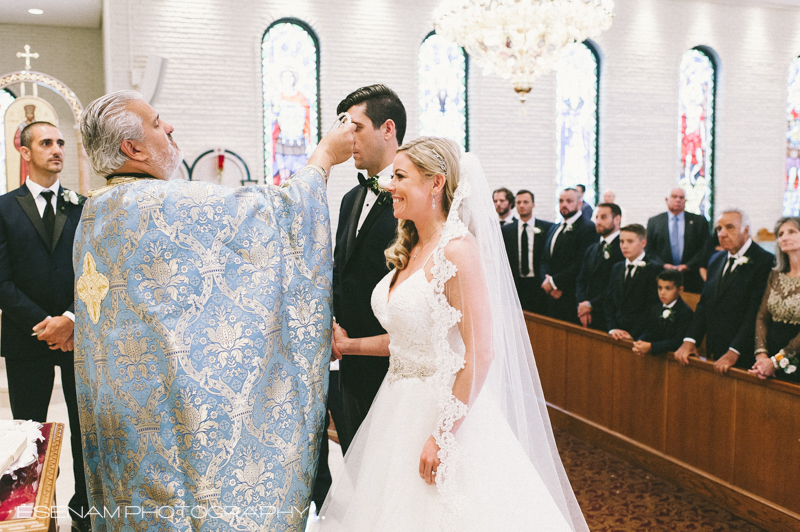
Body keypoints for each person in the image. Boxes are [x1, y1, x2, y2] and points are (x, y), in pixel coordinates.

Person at [73, 90, 354, 531]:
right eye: (157, 122)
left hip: (126, 419)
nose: (169, 128)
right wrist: (323, 158)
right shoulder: (154, 202)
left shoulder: (98, 209)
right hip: (170, 422)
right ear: (133, 149)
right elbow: (278, 213)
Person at [314, 137, 588, 531]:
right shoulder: (411, 247)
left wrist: (442, 435)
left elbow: (481, 354)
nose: (390, 185)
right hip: (396, 408)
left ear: (436, 183)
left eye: (401, 176)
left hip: (442, 412)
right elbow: (410, 340)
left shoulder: (458, 251)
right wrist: (349, 345)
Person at [0, 121, 90, 531]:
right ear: (24, 151)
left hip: (78, 337)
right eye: (46, 143)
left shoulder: (84, 206)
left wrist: (70, 319)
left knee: (85, 433)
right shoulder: (3, 208)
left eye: (60, 143)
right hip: (26, 337)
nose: (56, 149)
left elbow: (94, 272)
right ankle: (35, 518)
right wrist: (45, 324)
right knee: (29, 435)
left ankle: (84, 515)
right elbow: (2, 281)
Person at [331, 84, 406, 454]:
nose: (348, 137)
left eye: (356, 127)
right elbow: (340, 273)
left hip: (396, 367)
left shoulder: (415, 196)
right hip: (349, 368)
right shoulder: (350, 199)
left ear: (387, 129)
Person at [674, 208, 773, 374]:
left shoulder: (764, 261)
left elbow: (755, 313)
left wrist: (734, 351)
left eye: (729, 227)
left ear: (746, 230)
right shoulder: (716, 259)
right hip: (715, 348)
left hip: (743, 354)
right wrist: (690, 340)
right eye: (719, 229)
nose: (722, 233)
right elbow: (704, 304)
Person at [750, 217, 800, 382]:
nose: (784, 237)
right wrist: (762, 355)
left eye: (792, 231)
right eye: (780, 234)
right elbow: (762, 316)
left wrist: (777, 360)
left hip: (796, 354)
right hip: (769, 352)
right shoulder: (775, 275)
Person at [540, 188, 597, 323]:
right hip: (551, 296)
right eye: (561, 201)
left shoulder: (588, 228)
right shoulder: (555, 227)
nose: (564, 204)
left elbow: (581, 263)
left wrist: (554, 282)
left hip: (570, 297)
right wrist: (547, 282)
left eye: (569, 201)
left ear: (579, 203)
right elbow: (544, 259)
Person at [605, 224, 664, 341]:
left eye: (630, 241)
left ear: (643, 243)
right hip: (615, 333)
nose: (624, 246)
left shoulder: (655, 269)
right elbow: (609, 301)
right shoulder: (617, 267)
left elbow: (653, 307)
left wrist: (633, 334)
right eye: (621, 241)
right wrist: (613, 328)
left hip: (640, 335)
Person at [645, 187, 709, 293]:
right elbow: (649, 250)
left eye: (681, 197)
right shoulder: (654, 222)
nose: (678, 200)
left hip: (691, 277)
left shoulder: (699, 221)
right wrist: (663, 265)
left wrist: (688, 265)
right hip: (662, 277)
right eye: (674, 197)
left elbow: (705, 248)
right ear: (667, 200)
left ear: (685, 201)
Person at [501, 190, 553, 313]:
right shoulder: (506, 230)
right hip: (516, 285)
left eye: (525, 202)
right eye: (519, 202)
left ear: (533, 204)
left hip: (538, 284)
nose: (522, 205)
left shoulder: (547, 228)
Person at [576, 203, 623, 331]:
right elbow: (581, 279)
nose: (598, 221)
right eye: (596, 217)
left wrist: (591, 305)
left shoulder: (623, 249)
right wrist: (582, 306)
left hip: (608, 315)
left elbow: (614, 286)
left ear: (617, 219)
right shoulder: (592, 248)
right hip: (586, 313)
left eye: (603, 217)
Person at [633, 270, 694, 356]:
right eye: (660, 288)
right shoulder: (655, 307)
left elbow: (677, 342)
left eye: (668, 288)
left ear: (680, 290)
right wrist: (640, 341)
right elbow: (649, 330)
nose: (662, 292)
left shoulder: (686, 312)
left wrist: (651, 347)